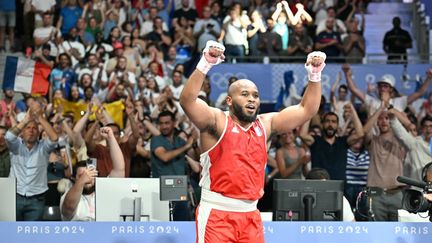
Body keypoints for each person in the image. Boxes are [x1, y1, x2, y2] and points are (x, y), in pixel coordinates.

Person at [180, 40, 325, 243]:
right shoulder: (217, 121)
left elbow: (306, 110)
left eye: (256, 96)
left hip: (251, 215)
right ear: (229, 101)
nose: (252, 99)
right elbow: (187, 101)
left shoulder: (266, 124)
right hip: (217, 214)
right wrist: (206, 63)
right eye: (245, 94)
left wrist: (314, 74)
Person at [5, 101, 59, 221]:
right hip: (15, 196)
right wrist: (25, 120)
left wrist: (40, 117)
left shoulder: (43, 147)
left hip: (37, 199)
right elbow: (8, 137)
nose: (31, 130)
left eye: (34, 128)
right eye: (28, 128)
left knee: (31, 236)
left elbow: (55, 138)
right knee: (13, 233)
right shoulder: (16, 146)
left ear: (38, 133)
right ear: (22, 132)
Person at [60, 126, 125, 221]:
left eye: (90, 174)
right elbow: (68, 208)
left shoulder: (103, 191)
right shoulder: (67, 195)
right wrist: (81, 182)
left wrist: (111, 138)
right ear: (74, 179)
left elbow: (119, 169)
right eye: (81, 175)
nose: (87, 178)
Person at [150, 110, 198, 221]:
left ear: (174, 123)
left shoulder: (179, 141)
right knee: (164, 222)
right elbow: (164, 157)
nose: (164, 126)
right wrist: (186, 146)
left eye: (167, 123)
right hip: (162, 186)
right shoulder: (156, 140)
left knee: (183, 223)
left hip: (180, 185)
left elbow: (196, 158)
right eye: (161, 123)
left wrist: (194, 143)